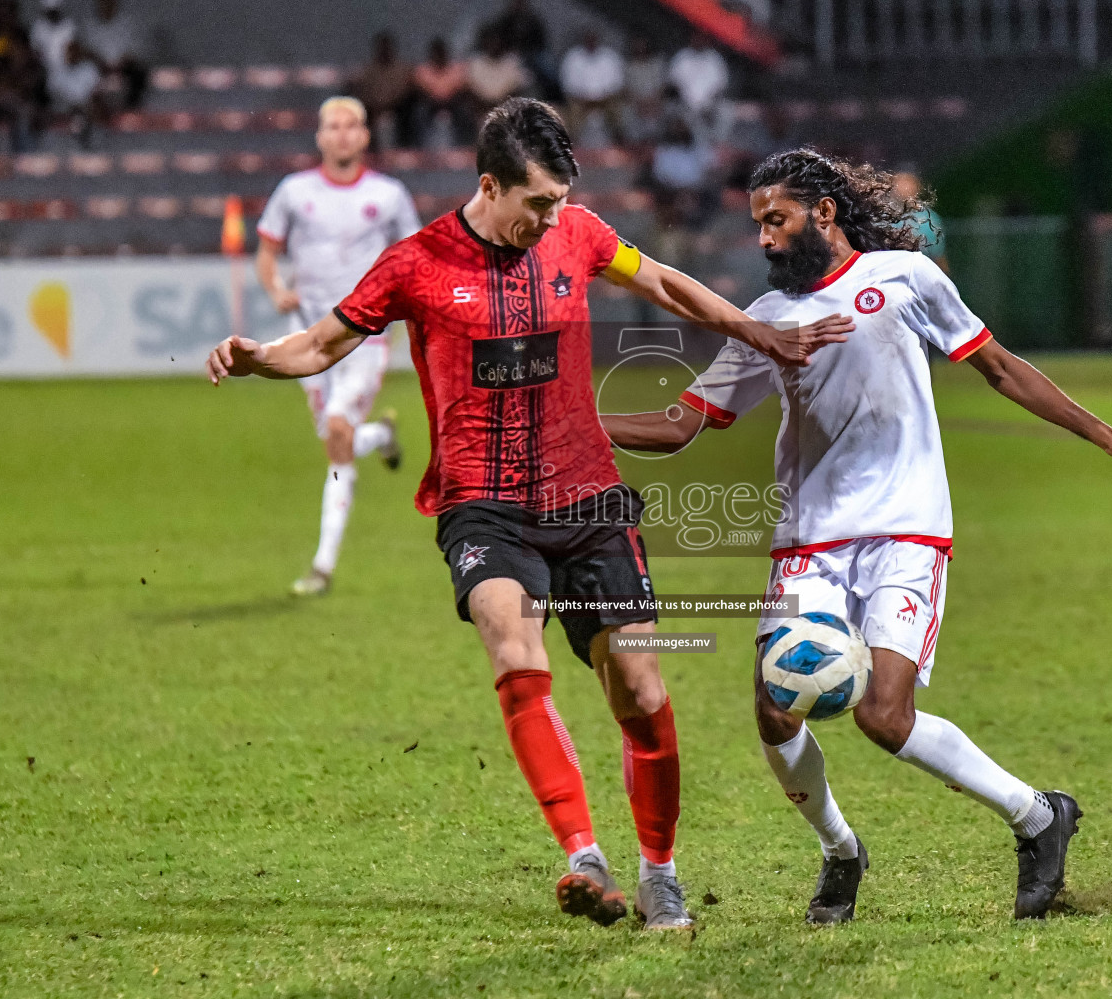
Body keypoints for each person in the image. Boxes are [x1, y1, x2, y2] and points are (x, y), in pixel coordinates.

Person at [205, 99, 851, 929]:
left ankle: (661, 872)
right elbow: (323, 344)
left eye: (558, 202)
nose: (550, 219)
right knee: (515, 648)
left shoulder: (577, 233)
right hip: (482, 505)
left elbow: (658, 280)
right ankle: (585, 856)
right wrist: (264, 357)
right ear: (489, 186)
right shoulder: (415, 263)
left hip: (587, 498)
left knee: (642, 687)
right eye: (536, 203)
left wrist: (758, 334)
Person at [601, 149, 1112, 924]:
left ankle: (1039, 817)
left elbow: (999, 367)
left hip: (906, 527)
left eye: (778, 220)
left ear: (824, 214)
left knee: (883, 716)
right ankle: (841, 850)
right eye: (757, 223)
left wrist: (1104, 435)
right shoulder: (765, 320)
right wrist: (578, 428)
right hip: (810, 543)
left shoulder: (905, 279)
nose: (764, 239)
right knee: (776, 711)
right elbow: (679, 426)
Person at [251, 97, 420, 597]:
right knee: (336, 436)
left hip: (364, 335)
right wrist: (277, 288)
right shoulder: (295, 192)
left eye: (352, 126)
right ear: (320, 136)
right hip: (310, 339)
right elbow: (266, 250)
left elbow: (413, 258)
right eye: (333, 126)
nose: (343, 134)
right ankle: (382, 439)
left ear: (365, 136)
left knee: (337, 432)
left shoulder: (388, 195)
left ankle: (323, 565)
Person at [81, 0, 147, 111]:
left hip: (123, 66)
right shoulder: (90, 26)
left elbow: (135, 50)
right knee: (84, 73)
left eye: (109, 3)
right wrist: (100, 62)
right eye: (103, 4)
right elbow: (86, 50)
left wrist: (120, 63)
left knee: (139, 73)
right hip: (99, 66)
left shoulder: (127, 24)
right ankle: (92, 108)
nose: (105, 7)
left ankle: (132, 107)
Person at [560, 29, 624, 146]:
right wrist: (585, 99)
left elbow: (616, 84)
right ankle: (573, 146)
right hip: (581, 101)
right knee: (573, 112)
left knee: (617, 109)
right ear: (583, 40)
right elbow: (568, 86)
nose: (591, 42)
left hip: (605, 100)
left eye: (593, 39)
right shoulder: (573, 58)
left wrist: (600, 99)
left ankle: (620, 144)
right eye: (588, 39)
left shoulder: (609, 57)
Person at [350, 32, 413, 149]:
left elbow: (403, 93)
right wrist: (375, 109)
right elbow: (363, 93)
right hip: (371, 111)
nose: (384, 50)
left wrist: (387, 107)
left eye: (387, 47)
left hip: (397, 111)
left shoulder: (402, 71)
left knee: (393, 120)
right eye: (382, 47)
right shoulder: (368, 71)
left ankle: (402, 149)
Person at [411, 38, 467, 148]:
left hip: (452, 106)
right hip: (430, 106)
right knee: (418, 113)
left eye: (441, 53)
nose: (439, 56)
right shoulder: (423, 70)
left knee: (463, 112)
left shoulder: (456, 69)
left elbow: (460, 90)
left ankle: (461, 148)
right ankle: (422, 148)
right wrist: (436, 100)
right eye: (436, 53)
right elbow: (420, 91)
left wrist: (445, 101)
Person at [892, 171, 950, 276]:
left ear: (917, 187)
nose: (904, 187)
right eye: (900, 182)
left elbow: (939, 257)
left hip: (922, 276)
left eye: (908, 182)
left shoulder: (929, 218)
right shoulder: (882, 217)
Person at [668, 32, 729, 132]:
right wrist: (688, 102)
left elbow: (721, 85)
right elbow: (673, 83)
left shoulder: (715, 58)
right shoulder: (681, 57)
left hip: (710, 105)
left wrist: (707, 104)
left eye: (702, 39)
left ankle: (718, 143)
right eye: (696, 38)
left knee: (726, 112)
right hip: (684, 103)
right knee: (672, 110)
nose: (699, 41)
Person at [465, 29, 527, 123]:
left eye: (496, 42)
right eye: (490, 42)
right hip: (480, 110)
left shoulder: (512, 62)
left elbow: (517, 88)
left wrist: (502, 105)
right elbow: (470, 88)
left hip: (507, 110)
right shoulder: (476, 62)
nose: (494, 46)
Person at [48, 40, 102, 145]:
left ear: (79, 52)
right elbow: (53, 94)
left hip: (86, 107)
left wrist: (82, 103)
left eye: (74, 51)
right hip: (63, 107)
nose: (72, 54)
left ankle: (88, 136)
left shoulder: (89, 68)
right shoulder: (57, 71)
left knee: (91, 108)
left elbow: (96, 90)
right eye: (69, 51)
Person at [29, 0, 75, 76]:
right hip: (43, 70)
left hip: (67, 69)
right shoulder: (38, 27)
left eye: (55, 11)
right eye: (50, 11)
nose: (53, 14)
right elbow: (35, 49)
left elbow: (73, 49)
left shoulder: (69, 26)